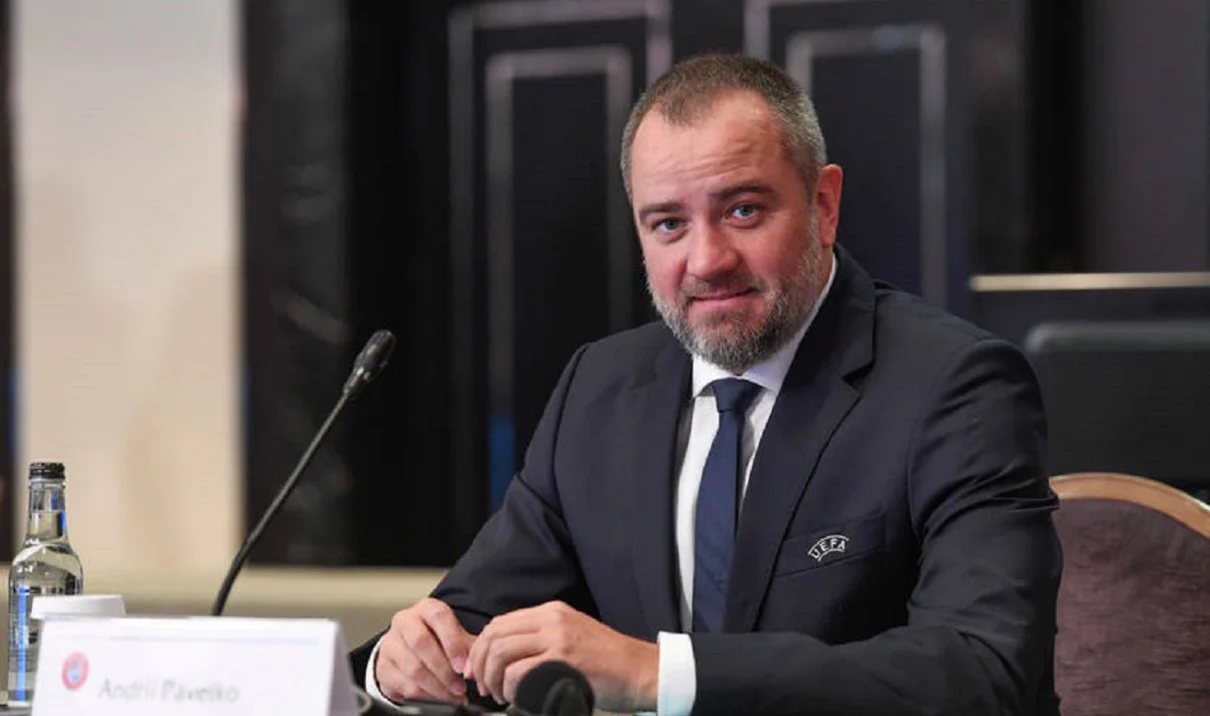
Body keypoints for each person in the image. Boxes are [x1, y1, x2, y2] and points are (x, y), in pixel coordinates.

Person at [352, 53, 1061, 716]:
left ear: (823, 204)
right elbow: (470, 620)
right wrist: (398, 663)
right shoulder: (599, 388)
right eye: (668, 223)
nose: (707, 260)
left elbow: (983, 668)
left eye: (743, 210)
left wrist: (658, 673)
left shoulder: (955, 385)